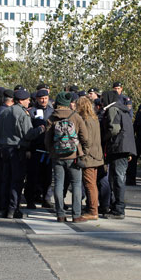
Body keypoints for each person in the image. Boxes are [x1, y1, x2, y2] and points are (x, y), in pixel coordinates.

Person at [44, 92, 90, 222]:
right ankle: (76, 215)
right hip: (73, 155)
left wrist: (52, 151)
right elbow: (85, 137)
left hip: (57, 156)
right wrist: (83, 151)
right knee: (76, 184)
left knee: (58, 184)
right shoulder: (76, 117)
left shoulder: (52, 118)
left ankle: (60, 214)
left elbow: (47, 140)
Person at [0, 89, 35, 218]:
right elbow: (28, 134)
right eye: (27, 100)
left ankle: (5, 208)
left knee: (5, 179)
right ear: (21, 101)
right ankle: (13, 209)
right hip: (17, 150)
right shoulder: (23, 113)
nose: (29, 102)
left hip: (4, 148)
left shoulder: (4, 112)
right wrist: (40, 129)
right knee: (16, 180)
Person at [100, 90, 136, 219]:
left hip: (117, 148)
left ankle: (119, 209)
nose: (101, 101)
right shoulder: (123, 110)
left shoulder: (113, 109)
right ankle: (116, 206)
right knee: (117, 178)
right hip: (124, 148)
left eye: (103, 99)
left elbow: (114, 129)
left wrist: (104, 138)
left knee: (117, 179)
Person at [76, 96, 104, 220]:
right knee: (92, 183)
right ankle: (91, 208)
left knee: (89, 184)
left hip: (89, 156)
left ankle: (93, 211)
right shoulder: (94, 119)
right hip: (96, 154)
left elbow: (86, 139)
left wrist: (83, 153)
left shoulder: (85, 120)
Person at [26, 89, 54, 208]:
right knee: (33, 176)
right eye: (41, 98)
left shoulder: (52, 112)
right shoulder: (31, 112)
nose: (43, 101)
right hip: (35, 149)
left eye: (46, 98)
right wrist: (28, 149)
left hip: (48, 149)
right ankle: (30, 200)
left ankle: (46, 199)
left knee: (47, 177)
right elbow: (27, 131)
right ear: (37, 99)